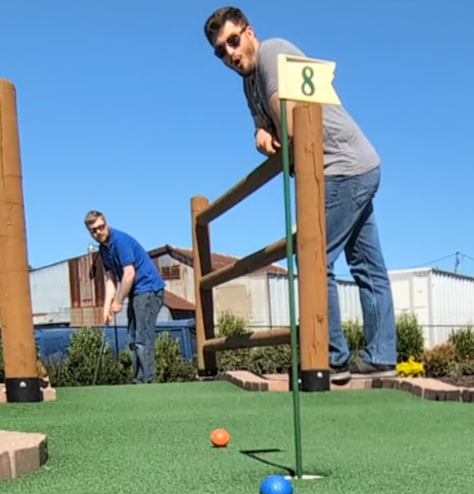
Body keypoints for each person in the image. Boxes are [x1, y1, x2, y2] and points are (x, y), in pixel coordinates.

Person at [202, 7, 397, 384]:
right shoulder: (249, 83)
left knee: (313, 257)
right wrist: (260, 132)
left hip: (340, 167)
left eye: (233, 41)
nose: (230, 54)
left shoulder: (273, 54)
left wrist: (272, 132)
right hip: (353, 167)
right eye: (220, 51)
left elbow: (289, 124)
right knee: (365, 264)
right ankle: (381, 355)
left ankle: (331, 358)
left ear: (249, 32)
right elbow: (266, 127)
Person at [84, 210, 165, 384]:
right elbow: (111, 279)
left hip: (149, 288)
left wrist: (119, 301)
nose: (99, 232)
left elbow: (129, 274)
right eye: (94, 230)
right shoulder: (103, 249)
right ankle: (138, 380)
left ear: (106, 223)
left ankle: (146, 382)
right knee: (132, 337)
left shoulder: (120, 241)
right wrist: (107, 308)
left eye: (101, 227)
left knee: (142, 336)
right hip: (136, 292)